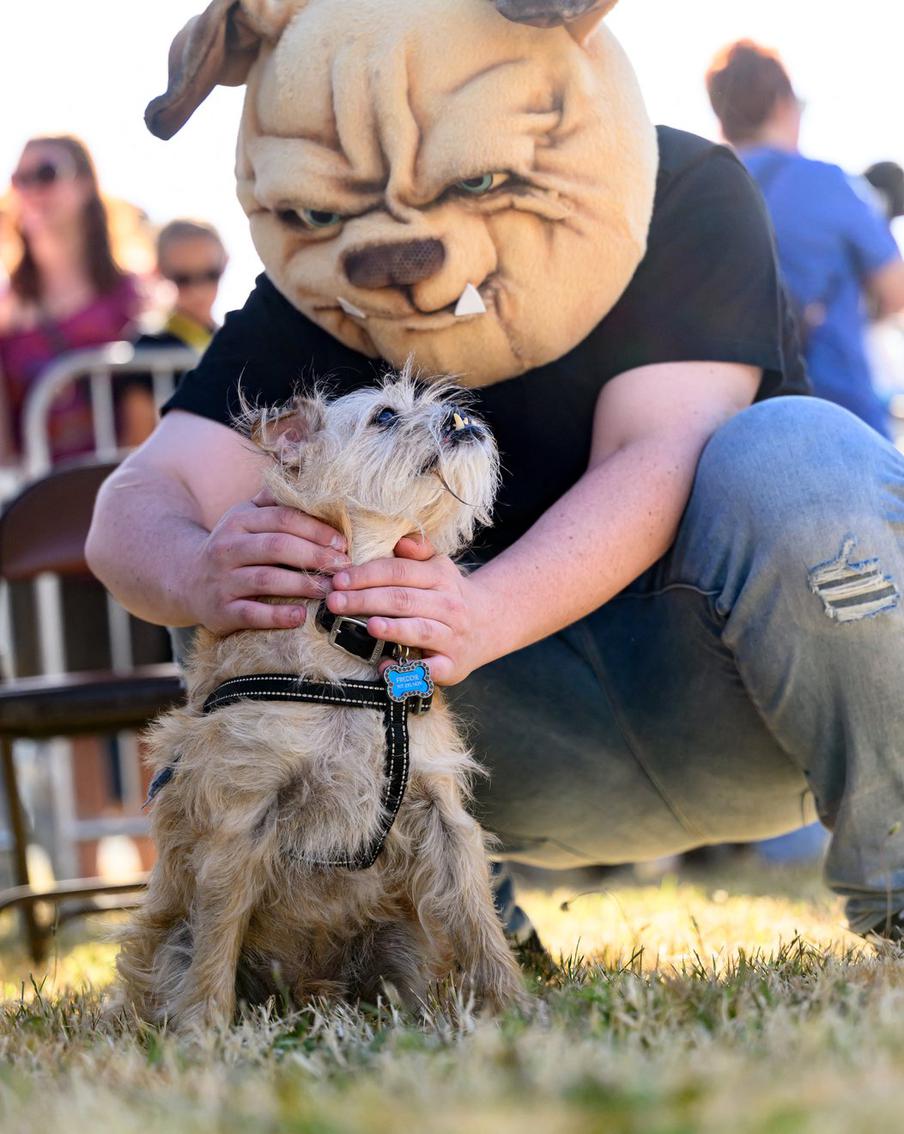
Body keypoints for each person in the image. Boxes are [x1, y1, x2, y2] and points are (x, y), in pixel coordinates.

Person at [88, 0, 904, 948]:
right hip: (489, 758)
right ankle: (457, 932)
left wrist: (472, 617)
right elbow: (137, 505)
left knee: (801, 451)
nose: (403, 248)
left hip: (745, 706)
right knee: (253, 578)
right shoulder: (325, 272)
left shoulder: (679, 184)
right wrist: (202, 570)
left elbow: (658, 450)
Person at [705, 40, 904, 439]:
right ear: (782, 103)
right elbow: (896, 289)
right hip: (840, 418)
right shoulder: (827, 182)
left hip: (727, 431)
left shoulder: (701, 189)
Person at [0, 135, 146, 465]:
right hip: (40, 501)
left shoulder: (134, 296)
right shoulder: (5, 311)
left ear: (84, 184)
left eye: (46, 173)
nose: (31, 189)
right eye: (19, 179)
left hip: (121, 485)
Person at [122, 218, 228, 447]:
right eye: (184, 279)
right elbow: (137, 441)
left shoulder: (231, 338)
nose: (199, 290)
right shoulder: (148, 346)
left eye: (210, 274)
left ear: (225, 264)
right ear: (161, 273)